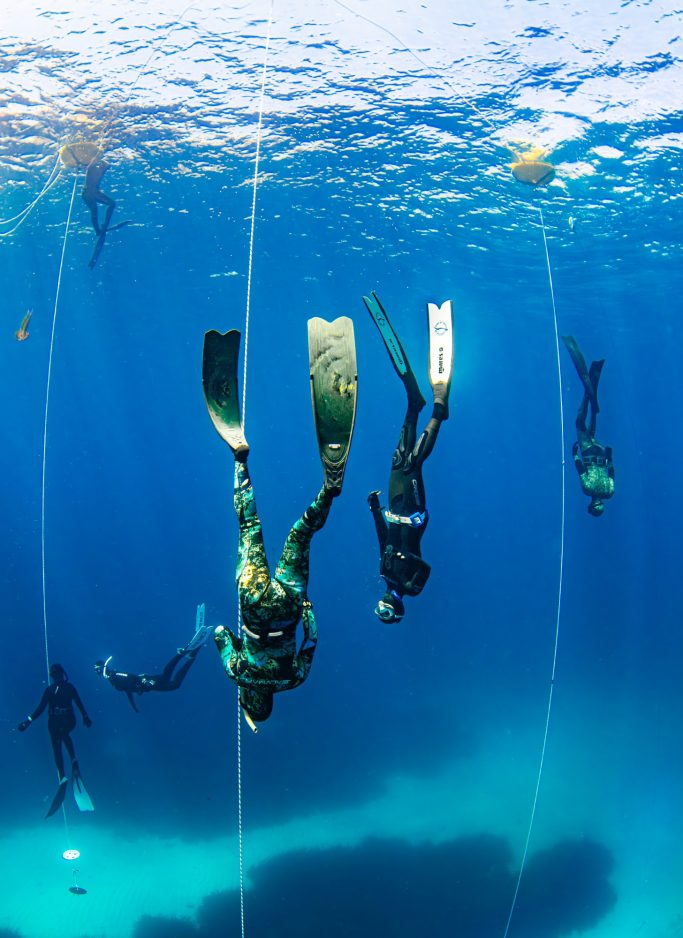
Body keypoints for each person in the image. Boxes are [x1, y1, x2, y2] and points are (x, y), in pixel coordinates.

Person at [202, 322, 357, 728]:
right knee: (248, 526)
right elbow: (219, 632)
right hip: (254, 604)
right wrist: (236, 647)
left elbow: (313, 642)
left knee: (301, 533)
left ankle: (328, 491)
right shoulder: (237, 674)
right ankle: (240, 458)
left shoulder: (294, 680)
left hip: (289, 604)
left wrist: (306, 611)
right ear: (251, 698)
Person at [364, 292, 454, 623]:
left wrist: (375, 510)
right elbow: (423, 566)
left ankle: (414, 403)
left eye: (380, 608)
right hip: (415, 511)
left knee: (398, 458)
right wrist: (405, 573)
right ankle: (439, 411)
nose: (383, 603)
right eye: (387, 610)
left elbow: (382, 539)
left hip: (393, 506)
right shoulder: (412, 587)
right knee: (414, 462)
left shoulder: (384, 573)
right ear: (398, 608)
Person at [17, 663, 93, 817]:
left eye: (57, 675)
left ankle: (70, 764)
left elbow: (78, 703)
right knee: (57, 742)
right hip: (58, 721)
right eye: (54, 676)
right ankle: (65, 771)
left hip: (65, 720)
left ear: (61, 675)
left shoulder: (65, 688)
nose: (56, 678)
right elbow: (41, 708)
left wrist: (85, 716)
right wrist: (28, 721)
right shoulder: (52, 690)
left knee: (62, 735)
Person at [94, 623, 209, 713]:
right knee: (172, 682)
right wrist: (133, 706)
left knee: (168, 679)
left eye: (98, 669)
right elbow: (127, 690)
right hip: (148, 687)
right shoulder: (112, 680)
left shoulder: (114, 675)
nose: (98, 672)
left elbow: (129, 676)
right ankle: (190, 656)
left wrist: (143, 680)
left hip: (147, 683)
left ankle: (182, 655)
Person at [562, 335, 615, 517]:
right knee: (578, 422)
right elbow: (581, 470)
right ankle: (588, 394)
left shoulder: (609, 492)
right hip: (589, 453)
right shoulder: (588, 490)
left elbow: (611, 473)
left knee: (591, 431)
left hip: (600, 452)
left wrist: (609, 458)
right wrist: (574, 455)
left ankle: (594, 409)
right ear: (593, 505)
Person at [80, 153, 129, 269]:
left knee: (100, 209)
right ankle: (101, 228)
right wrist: (98, 153)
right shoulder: (92, 168)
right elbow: (94, 161)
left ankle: (100, 229)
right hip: (89, 192)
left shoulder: (99, 169)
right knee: (101, 208)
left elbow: (106, 165)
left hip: (89, 193)